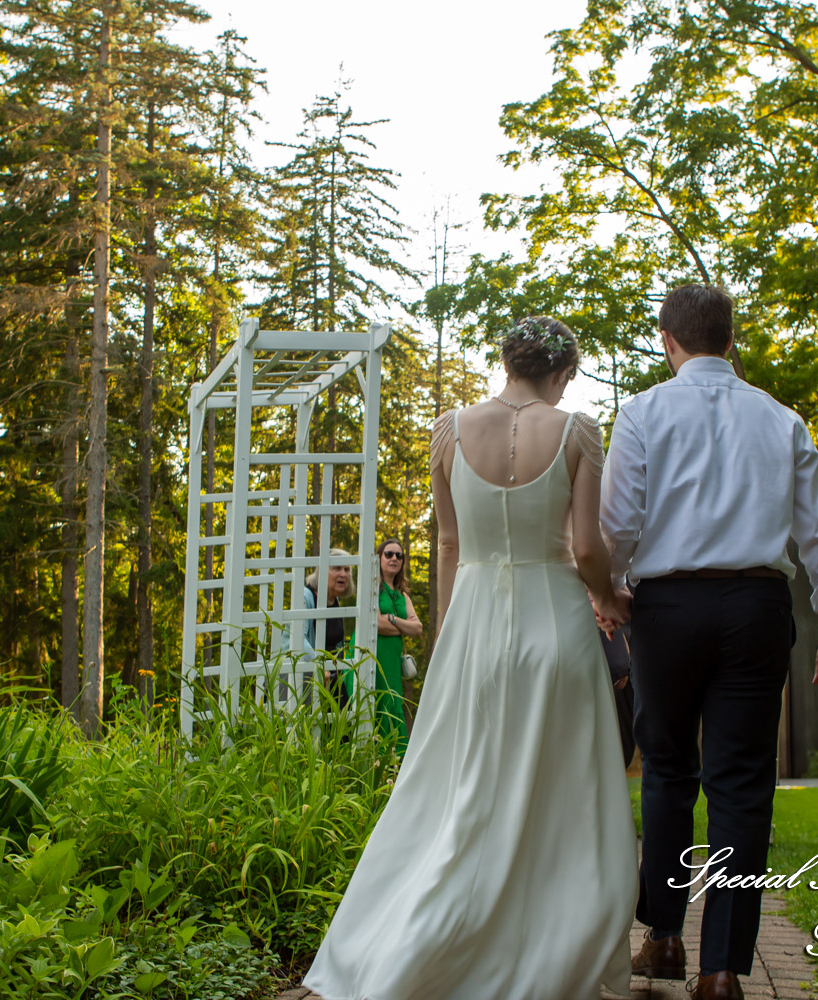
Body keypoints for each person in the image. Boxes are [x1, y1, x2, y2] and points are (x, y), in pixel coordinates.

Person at [303, 317, 636, 1000]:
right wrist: (611, 596)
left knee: (462, 786)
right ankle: (553, 941)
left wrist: (450, 630)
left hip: (476, 619)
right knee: (564, 792)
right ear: (564, 372)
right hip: (557, 622)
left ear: (506, 361)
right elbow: (586, 546)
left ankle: (430, 934)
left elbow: (449, 546)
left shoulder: (449, 430)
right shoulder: (576, 431)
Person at [600, 284, 818, 1000]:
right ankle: (721, 972)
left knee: (669, 772)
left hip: (667, 609)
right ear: (731, 340)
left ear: (666, 339)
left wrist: (611, 593)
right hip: (754, 606)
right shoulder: (781, 419)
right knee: (742, 784)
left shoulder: (643, 412)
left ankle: (665, 936)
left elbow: (617, 525)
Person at [368, 536, 422, 753]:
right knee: (375, 702)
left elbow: (417, 630)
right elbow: (377, 624)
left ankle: (392, 767)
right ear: (379, 558)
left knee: (393, 702)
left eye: (399, 555)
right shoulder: (372, 588)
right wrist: (402, 626)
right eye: (388, 554)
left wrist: (392, 619)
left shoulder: (403, 595)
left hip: (392, 659)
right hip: (374, 654)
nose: (394, 558)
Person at [304, 549, 355, 701]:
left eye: (347, 569)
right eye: (337, 568)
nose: (343, 574)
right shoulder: (306, 596)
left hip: (333, 677)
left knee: (346, 721)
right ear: (322, 571)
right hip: (307, 677)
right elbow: (297, 639)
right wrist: (318, 668)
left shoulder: (335, 601)